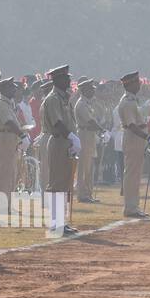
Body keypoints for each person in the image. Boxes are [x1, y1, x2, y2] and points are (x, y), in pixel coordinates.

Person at [40, 64, 80, 237]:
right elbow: (57, 123)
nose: (69, 81)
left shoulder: (64, 98)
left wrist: (71, 138)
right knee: (57, 183)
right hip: (58, 141)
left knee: (65, 183)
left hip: (66, 141)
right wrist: (71, 136)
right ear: (57, 80)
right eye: (66, 78)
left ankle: (61, 222)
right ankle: (56, 223)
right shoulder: (53, 99)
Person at [117, 71, 150, 217]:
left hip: (136, 138)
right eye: (137, 82)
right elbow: (132, 125)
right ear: (130, 84)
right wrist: (148, 137)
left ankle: (134, 206)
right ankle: (130, 208)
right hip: (133, 138)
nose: (140, 84)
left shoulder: (133, 100)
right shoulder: (127, 102)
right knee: (132, 174)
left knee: (135, 174)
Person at [0, 77, 28, 220]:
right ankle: (2, 206)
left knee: (12, 173)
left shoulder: (9, 104)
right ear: (4, 89)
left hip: (11, 138)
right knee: (4, 173)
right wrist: (22, 135)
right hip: (5, 137)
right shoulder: (1, 104)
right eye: (12, 88)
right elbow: (10, 123)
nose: (14, 90)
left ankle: (8, 205)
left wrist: (21, 135)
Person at [72, 77, 102, 204]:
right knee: (83, 166)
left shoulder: (88, 103)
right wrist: (102, 130)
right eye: (90, 89)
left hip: (89, 135)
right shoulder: (81, 104)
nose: (93, 92)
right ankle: (82, 194)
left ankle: (88, 193)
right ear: (84, 90)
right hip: (84, 134)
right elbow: (90, 121)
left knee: (89, 166)